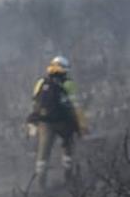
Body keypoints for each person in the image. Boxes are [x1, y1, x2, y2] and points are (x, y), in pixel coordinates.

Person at [27, 55, 87, 190]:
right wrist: (82, 125)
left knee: (43, 153)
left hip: (44, 122)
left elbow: (35, 103)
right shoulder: (68, 83)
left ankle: (41, 184)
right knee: (68, 150)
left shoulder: (41, 82)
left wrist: (33, 122)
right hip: (64, 122)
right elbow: (76, 106)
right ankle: (68, 179)